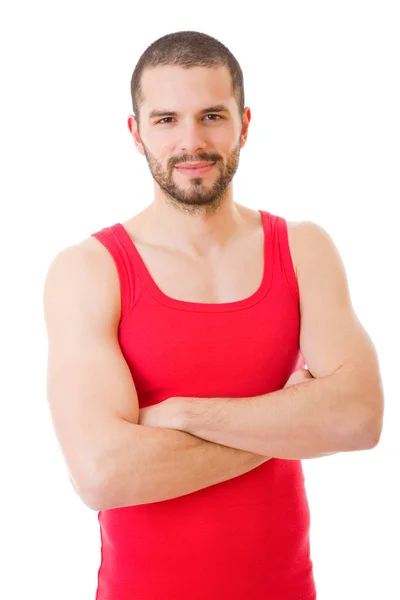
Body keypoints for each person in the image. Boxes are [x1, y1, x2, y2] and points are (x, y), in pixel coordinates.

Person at [43, 30, 384, 600]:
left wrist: (178, 414)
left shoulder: (303, 249)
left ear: (244, 124)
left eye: (211, 116)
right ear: (136, 132)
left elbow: (359, 419)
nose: (191, 141)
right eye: (166, 120)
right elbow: (103, 473)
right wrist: (294, 421)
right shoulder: (89, 269)